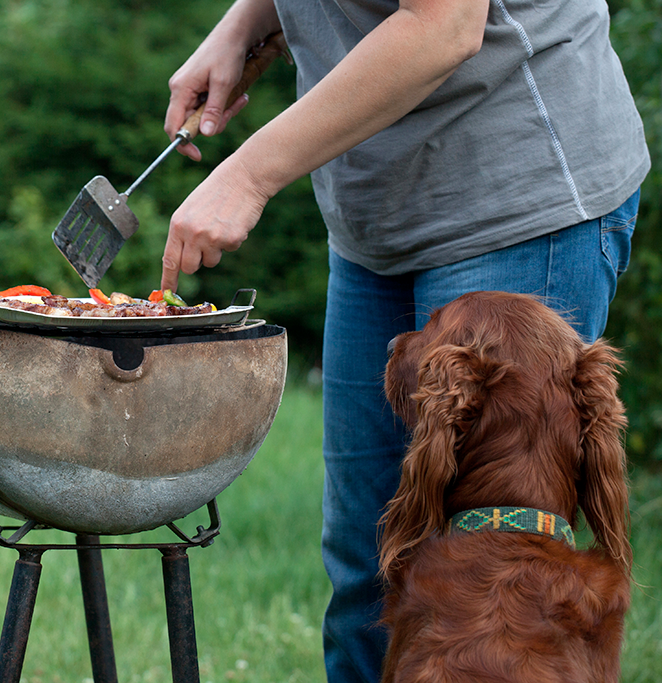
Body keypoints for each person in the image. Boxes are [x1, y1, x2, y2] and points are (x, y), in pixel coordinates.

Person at [160, 0, 650, 681]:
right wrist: (247, 21)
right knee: (368, 570)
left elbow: (442, 23)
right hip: (376, 215)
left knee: (507, 592)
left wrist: (247, 174)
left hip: (510, 190)